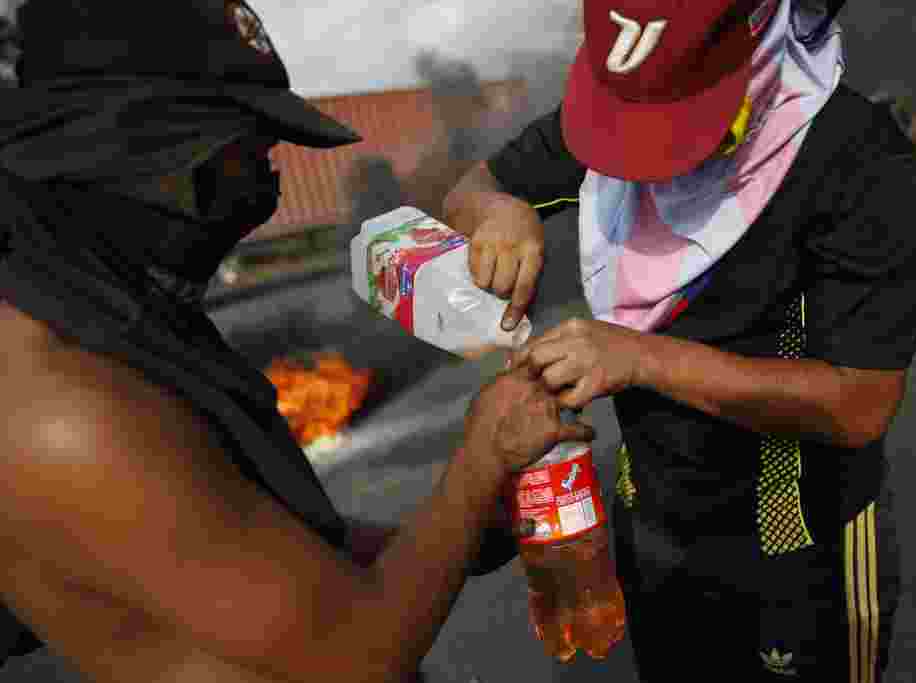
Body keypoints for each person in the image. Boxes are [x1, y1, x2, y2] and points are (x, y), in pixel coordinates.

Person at [0, 1, 592, 681]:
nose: (268, 174)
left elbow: (267, 547)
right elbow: (351, 656)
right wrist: (478, 462)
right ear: (148, 146)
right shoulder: (64, 404)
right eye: (246, 144)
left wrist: (460, 531)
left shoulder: (123, 304)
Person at [443, 0, 916, 679]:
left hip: (799, 558)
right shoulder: (626, 101)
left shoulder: (858, 163)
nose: (646, 161)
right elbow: (474, 187)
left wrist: (640, 357)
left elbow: (859, 403)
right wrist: (498, 211)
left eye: (675, 128)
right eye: (630, 128)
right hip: (655, 537)